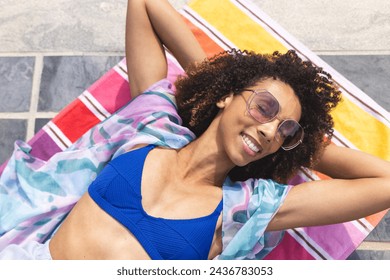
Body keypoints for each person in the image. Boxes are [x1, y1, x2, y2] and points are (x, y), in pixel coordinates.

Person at [1, 0, 390, 260]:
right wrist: (221, 80)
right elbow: (144, 5)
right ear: (228, 97)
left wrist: (296, 145)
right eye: (264, 106)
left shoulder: (249, 207)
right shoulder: (152, 126)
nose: (271, 129)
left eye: (285, 129)